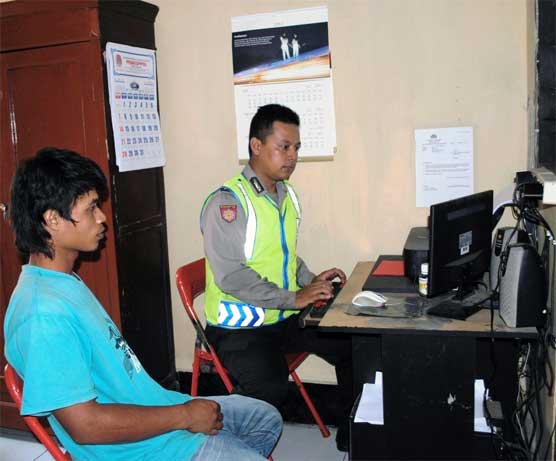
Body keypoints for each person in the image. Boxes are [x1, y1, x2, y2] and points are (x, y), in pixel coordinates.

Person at [4, 147, 282, 461]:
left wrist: (179, 412)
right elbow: (85, 426)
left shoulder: (63, 282)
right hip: (138, 452)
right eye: (92, 207)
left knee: (264, 418)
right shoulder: (43, 314)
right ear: (52, 220)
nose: (102, 217)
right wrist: (185, 416)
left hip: (155, 413)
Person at [200, 104, 354, 451]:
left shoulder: (284, 195)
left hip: (280, 317)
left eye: (296, 148)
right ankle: (228, 453)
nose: (292, 156)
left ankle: (352, 433)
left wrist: (314, 282)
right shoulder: (228, 203)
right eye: (283, 146)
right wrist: (296, 298)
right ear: (256, 146)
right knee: (270, 390)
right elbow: (232, 276)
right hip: (239, 330)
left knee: (350, 344)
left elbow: (284, 256)